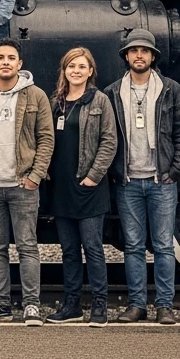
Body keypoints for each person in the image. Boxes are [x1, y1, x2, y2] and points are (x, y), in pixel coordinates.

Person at [103, 28, 180, 326]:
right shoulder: (112, 92)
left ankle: (165, 306)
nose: (139, 55)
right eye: (133, 50)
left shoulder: (170, 89)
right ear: (126, 56)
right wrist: (115, 172)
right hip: (128, 181)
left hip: (160, 180)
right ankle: (137, 304)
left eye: (144, 50)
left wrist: (175, 170)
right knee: (133, 246)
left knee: (164, 245)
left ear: (153, 56)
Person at [0, 38, 54, 326]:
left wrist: (34, 177)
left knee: (27, 246)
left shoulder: (36, 96)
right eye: (0, 57)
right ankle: (1, 304)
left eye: (11, 58)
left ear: (20, 64)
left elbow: (46, 139)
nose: (5, 62)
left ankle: (31, 306)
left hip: (22, 185)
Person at [46, 47, 116, 327]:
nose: (76, 71)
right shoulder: (57, 103)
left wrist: (94, 176)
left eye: (81, 66)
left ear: (90, 71)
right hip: (62, 186)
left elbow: (109, 142)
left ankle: (100, 305)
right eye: (71, 66)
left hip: (89, 186)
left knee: (93, 247)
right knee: (69, 250)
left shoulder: (100, 101)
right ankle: (72, 305)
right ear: (64, 71)